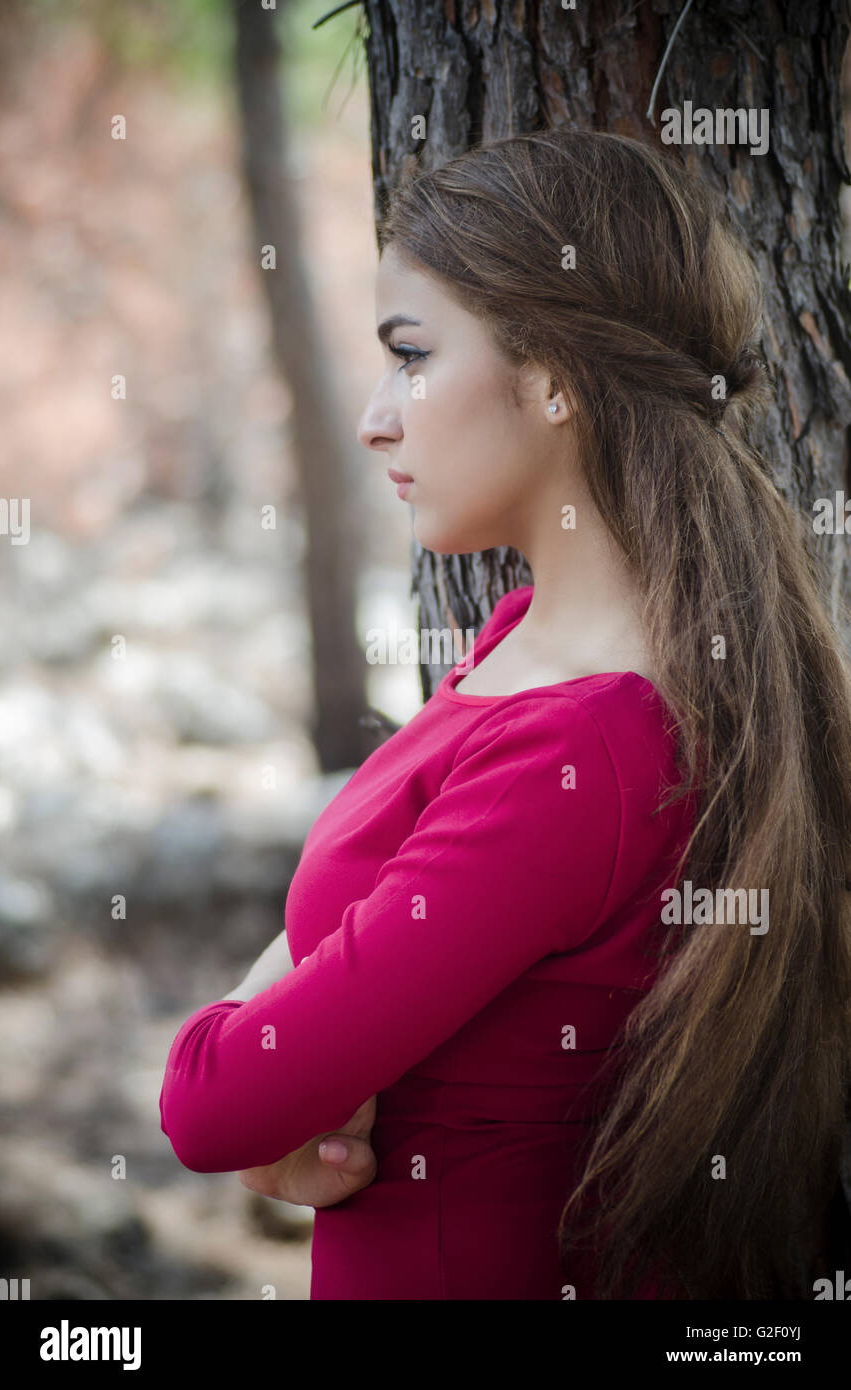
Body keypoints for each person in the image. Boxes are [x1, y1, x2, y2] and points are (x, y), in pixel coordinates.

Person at [160, 127, 851, 1300]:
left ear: (556, 380)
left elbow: (213, 1102)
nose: (377, 418)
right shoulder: (524, 647)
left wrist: (263, 1020)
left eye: (411, 356)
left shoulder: (576, 751)